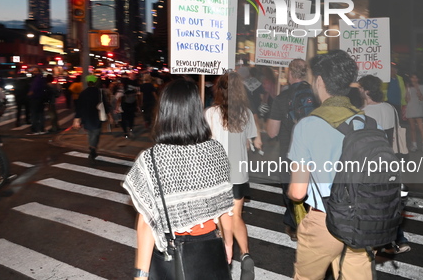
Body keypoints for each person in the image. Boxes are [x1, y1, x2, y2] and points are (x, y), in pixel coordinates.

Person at [123, 79, 234, 279]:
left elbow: (146, 223)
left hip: (172, 249)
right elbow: (225, 206)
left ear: (164, 112)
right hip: (210, 246)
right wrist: (228, 243)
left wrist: (140, 275)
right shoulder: (216, 150)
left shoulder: (151, 159)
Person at [288, 50, 373, 280]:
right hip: (361, 219)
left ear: (320, 81)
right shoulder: (367, 121)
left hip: (325, 219)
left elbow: (297, 193)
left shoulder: (308, 125)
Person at [205, 72, 262, 280]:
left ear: (219, 89)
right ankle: (245, 254)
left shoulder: (211, 114)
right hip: (238, 174)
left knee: (220, 217)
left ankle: (225, 256)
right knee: (236, 216)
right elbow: (248, 143)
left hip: (217, 174)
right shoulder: (246, 113)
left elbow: (206, 144)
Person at [267, 58, 317, 242]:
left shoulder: (282, 98)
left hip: (290, 154)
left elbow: (272, 132)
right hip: (315, 152)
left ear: (290, 74)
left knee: (292, 190)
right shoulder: (318, 96)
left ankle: (296, 226)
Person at [359, 74, 410, 254]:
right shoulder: (390, 108)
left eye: (360, 88)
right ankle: (399, 239)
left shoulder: (364, 112)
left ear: (366, 90)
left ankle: (374, 243)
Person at [72, 75, 109, 160]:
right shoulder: (99, 92)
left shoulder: (83, 93)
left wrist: (77, 118)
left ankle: (92, 147)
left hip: (86, 116)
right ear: (96, 82)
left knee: (90, 133)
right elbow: (105, 104)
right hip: (97, 115)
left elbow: (79, 107)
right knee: (96, 133)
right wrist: (108, 114)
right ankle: (93, 148)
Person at [405, 73, 423, 153]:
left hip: (419, 108)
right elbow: (407, 99)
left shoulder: (422, 87)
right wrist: (407, 90)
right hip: (410, 108)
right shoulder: (409, 87)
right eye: (412, 78)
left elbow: (422, 98)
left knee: (421, 128)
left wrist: (417, 89)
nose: (414, 80)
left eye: (416, 78)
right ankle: (414, 145)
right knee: (412, 128)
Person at [27, 68, 47, 135]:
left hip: (35, 98)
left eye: (35, 71)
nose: (34, 72)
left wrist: (30, 94)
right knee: (40, 114)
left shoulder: (36, 79)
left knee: (34, 115)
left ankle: (34, 130)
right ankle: (41, 129)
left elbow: (33, 88)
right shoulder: (42, 78)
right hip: (41, 98)